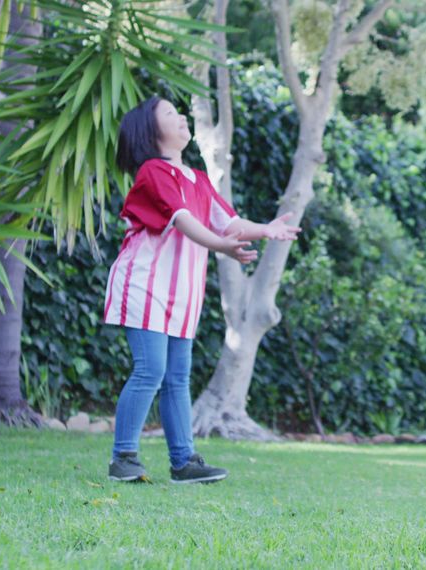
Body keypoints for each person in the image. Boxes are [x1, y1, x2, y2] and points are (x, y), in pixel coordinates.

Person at [103, 96, 301, 484]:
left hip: (183, 294)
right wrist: (221, 246)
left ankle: (184, 462)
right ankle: (123, 457)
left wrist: (264, 229)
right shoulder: (153, 171)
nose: (180, 118)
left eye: (179, 113)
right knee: (151, 369)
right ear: (150, 131)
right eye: (169, 114)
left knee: (178, 376)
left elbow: (228, 222)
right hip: (146, 285)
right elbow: (181, 220)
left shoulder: (198, 178)